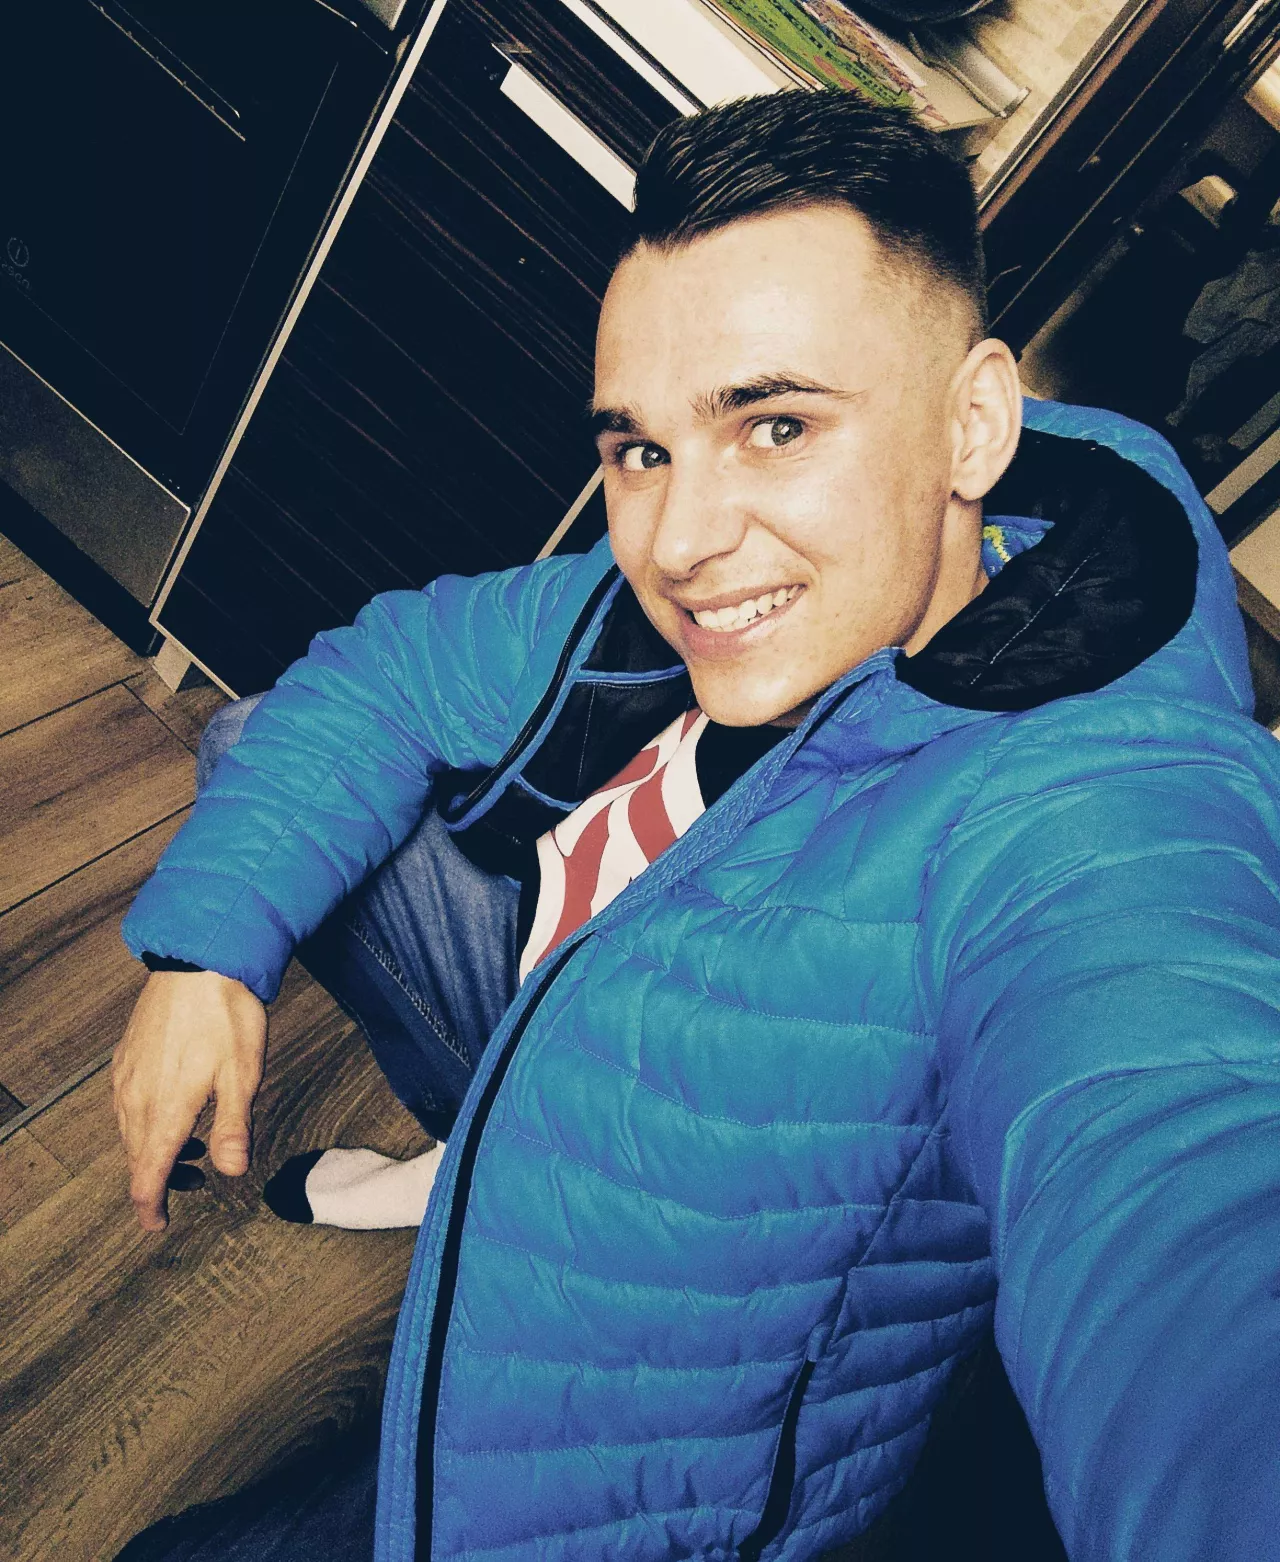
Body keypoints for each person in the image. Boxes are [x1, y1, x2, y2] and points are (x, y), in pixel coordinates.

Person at [113, 87, 1280, 1562]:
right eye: (640, 450)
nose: (677, 541)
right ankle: (489, 1149)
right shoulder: (765, 569)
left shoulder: (1089, 802)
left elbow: (1180, 1182)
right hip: (583, 987)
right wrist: (208, 951)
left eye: (775, 425)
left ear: (974, 423)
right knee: (256, 747)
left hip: (622, 1454)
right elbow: (389, 666)